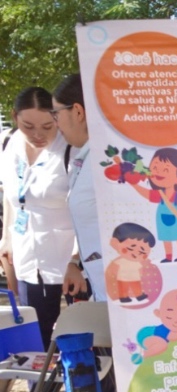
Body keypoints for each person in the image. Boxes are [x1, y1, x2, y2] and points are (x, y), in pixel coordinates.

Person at [0, 87, 77, 347]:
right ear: (15, 117)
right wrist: (6, 240)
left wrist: (76, 259)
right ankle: (39, 387)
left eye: (47, 125)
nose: (38, 135)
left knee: (80, 334)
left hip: (67, 258)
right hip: (25, 255)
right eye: (28, 126)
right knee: (35, 334)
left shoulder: (71, 148)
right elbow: (13, 196)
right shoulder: (9, 143)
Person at [51, 74, 107, 302]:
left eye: (55, 114)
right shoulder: (88, 156)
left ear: (77, 112)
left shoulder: (106, 161)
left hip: (125, 299)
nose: (56, 123)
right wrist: (76, 261)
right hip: (104, 293)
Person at [122, 147, 177, 263]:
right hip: (163, 222)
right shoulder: (159, 194)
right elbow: (146, 194)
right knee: (165, 238)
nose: (158, 172)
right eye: (155, 167)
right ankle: (168, 257)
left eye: (166, 170)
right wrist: (134, 185)